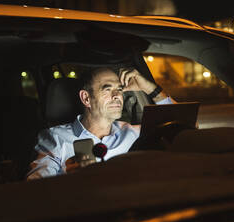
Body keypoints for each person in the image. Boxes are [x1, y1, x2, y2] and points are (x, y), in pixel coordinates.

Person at [27, 67, 173, 180]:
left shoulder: (133, 133)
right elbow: (36, 189)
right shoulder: (56, 138)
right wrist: (69, 179)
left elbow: (178, 126)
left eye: (119, 89)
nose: (117, 96)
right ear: (86, 98)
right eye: (107, 89)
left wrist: (151, 89)